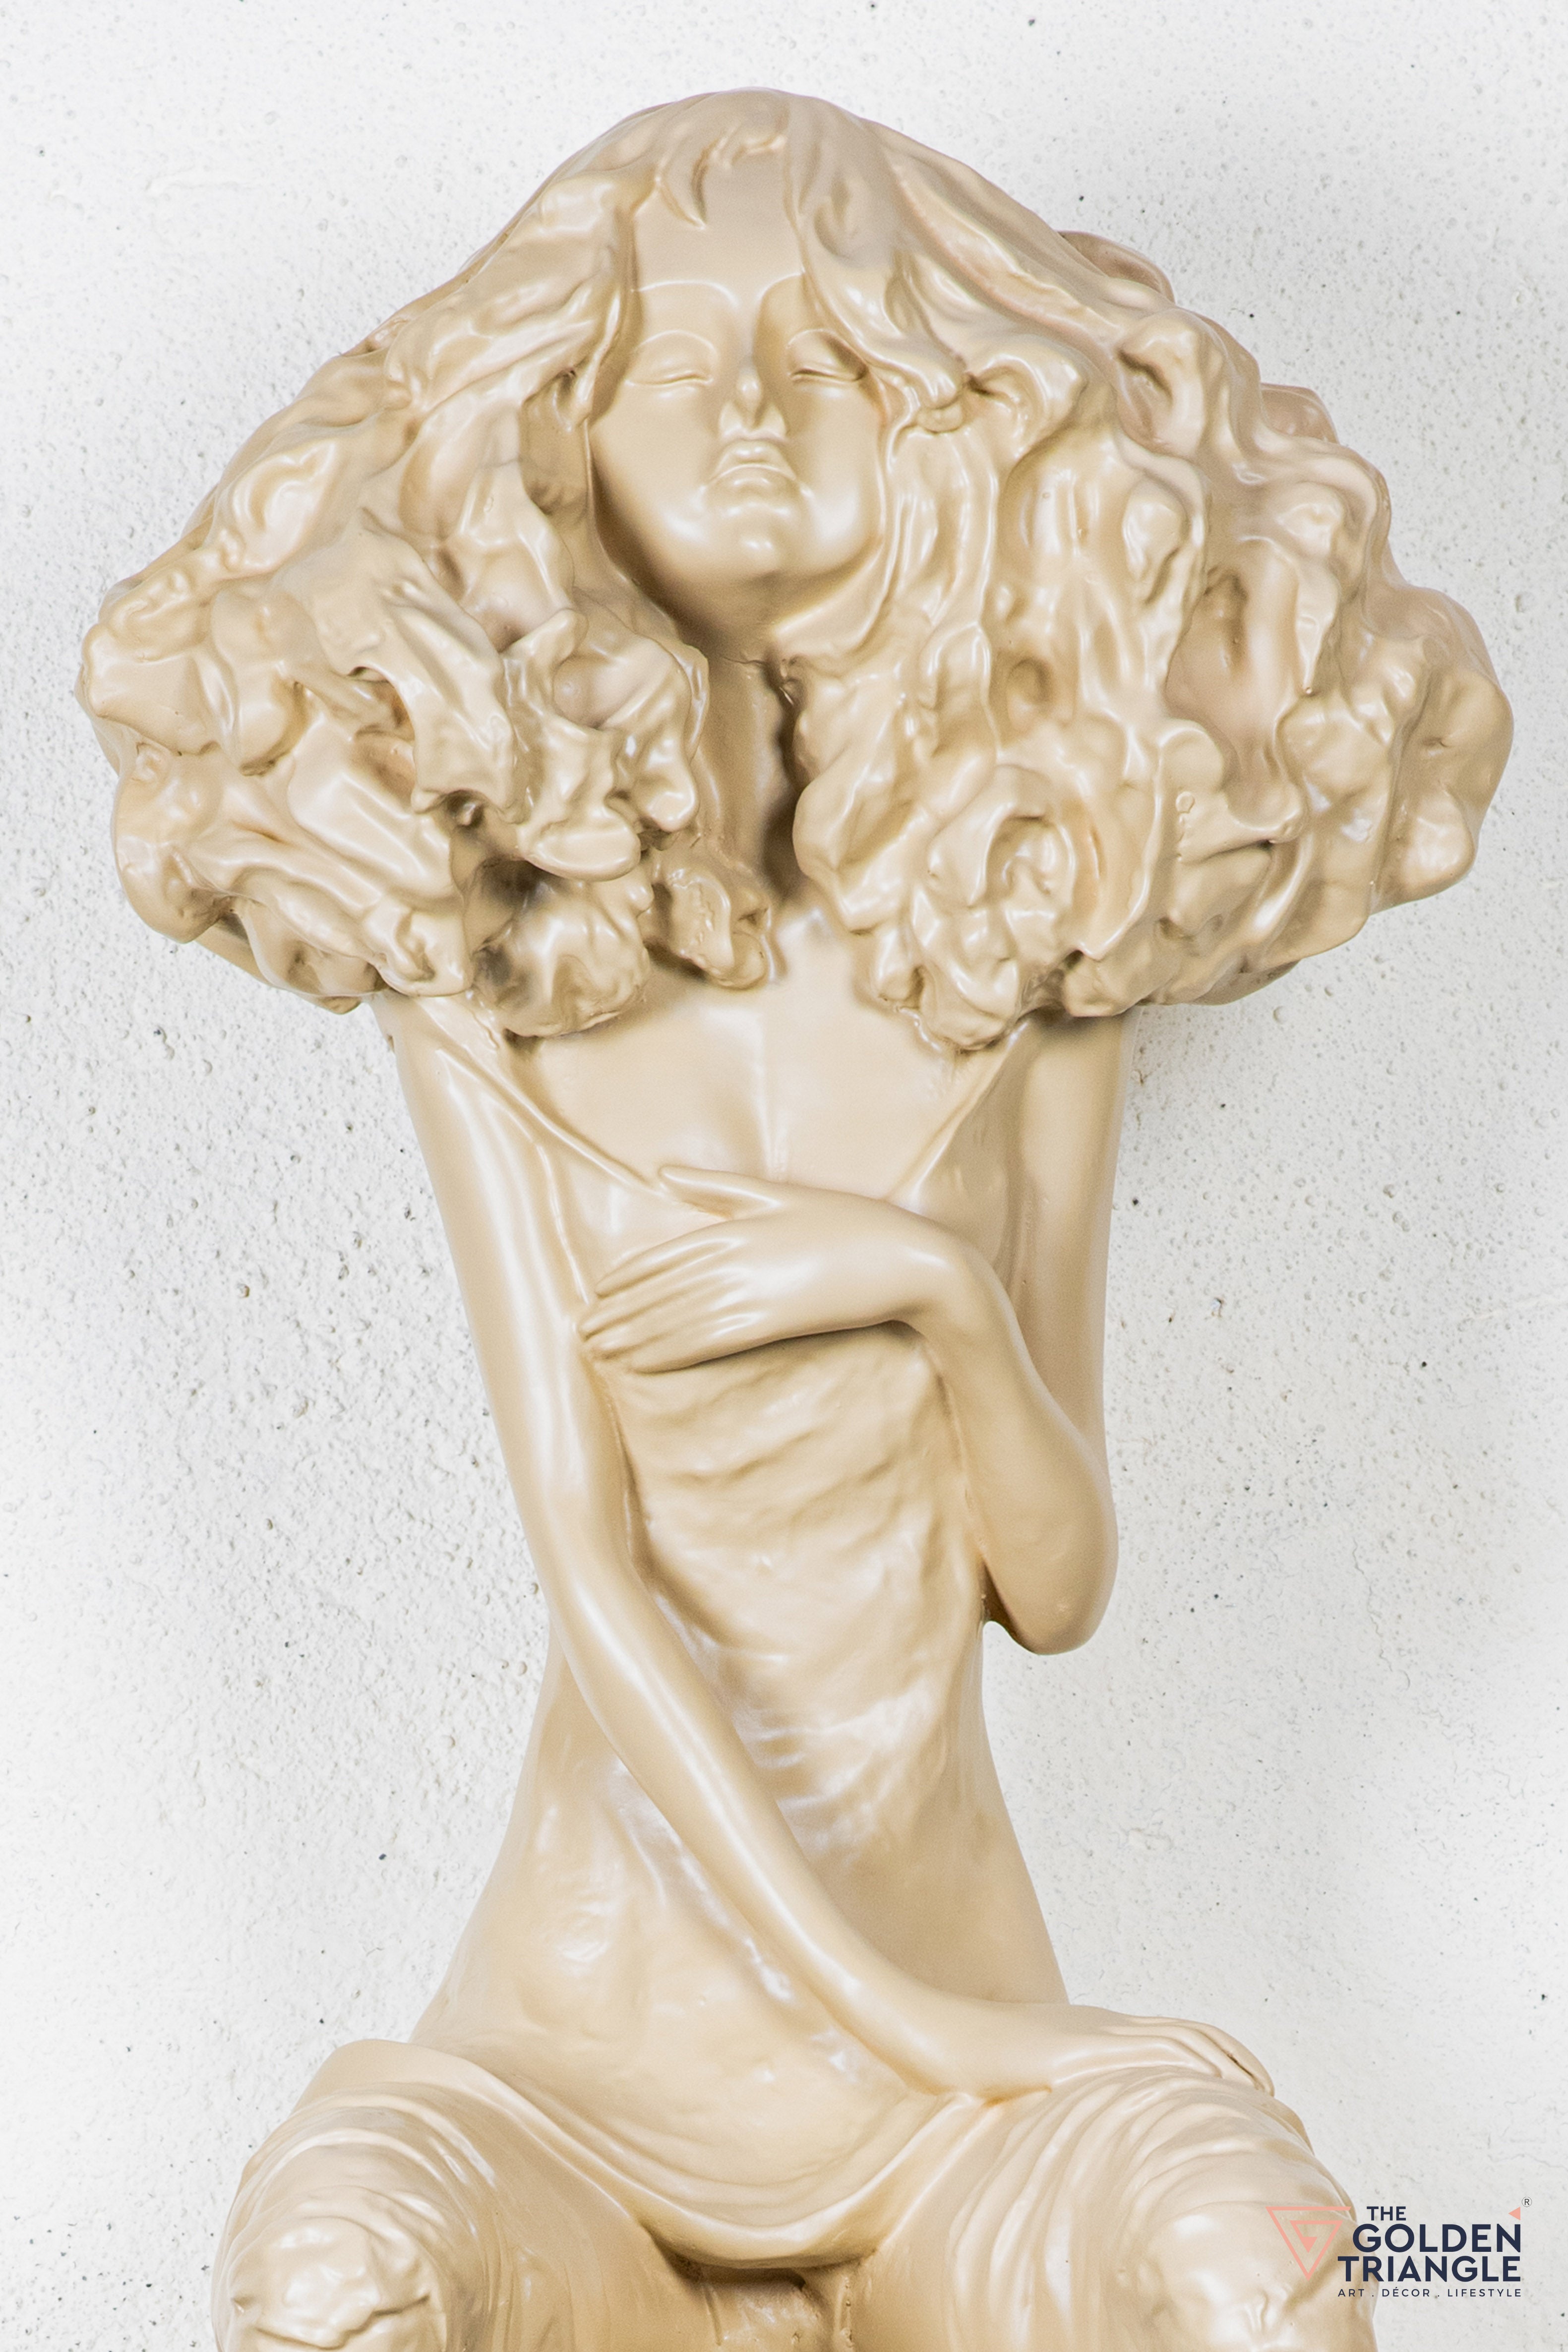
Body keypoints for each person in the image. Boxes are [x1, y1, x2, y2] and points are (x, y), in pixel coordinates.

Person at [81, 91, 1508, 2352]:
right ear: (543, 441)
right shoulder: (493, 980)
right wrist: (958, 2034)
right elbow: (599, 1584)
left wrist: (927, 1291)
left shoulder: (1020, 967)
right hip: (570, 2078)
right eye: (673, 363)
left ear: (959, 430)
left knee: (1275, 2269)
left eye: (828, 364)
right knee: (338, 2281)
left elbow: (1058, 1589)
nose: (749, 415)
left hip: (950, 2095)